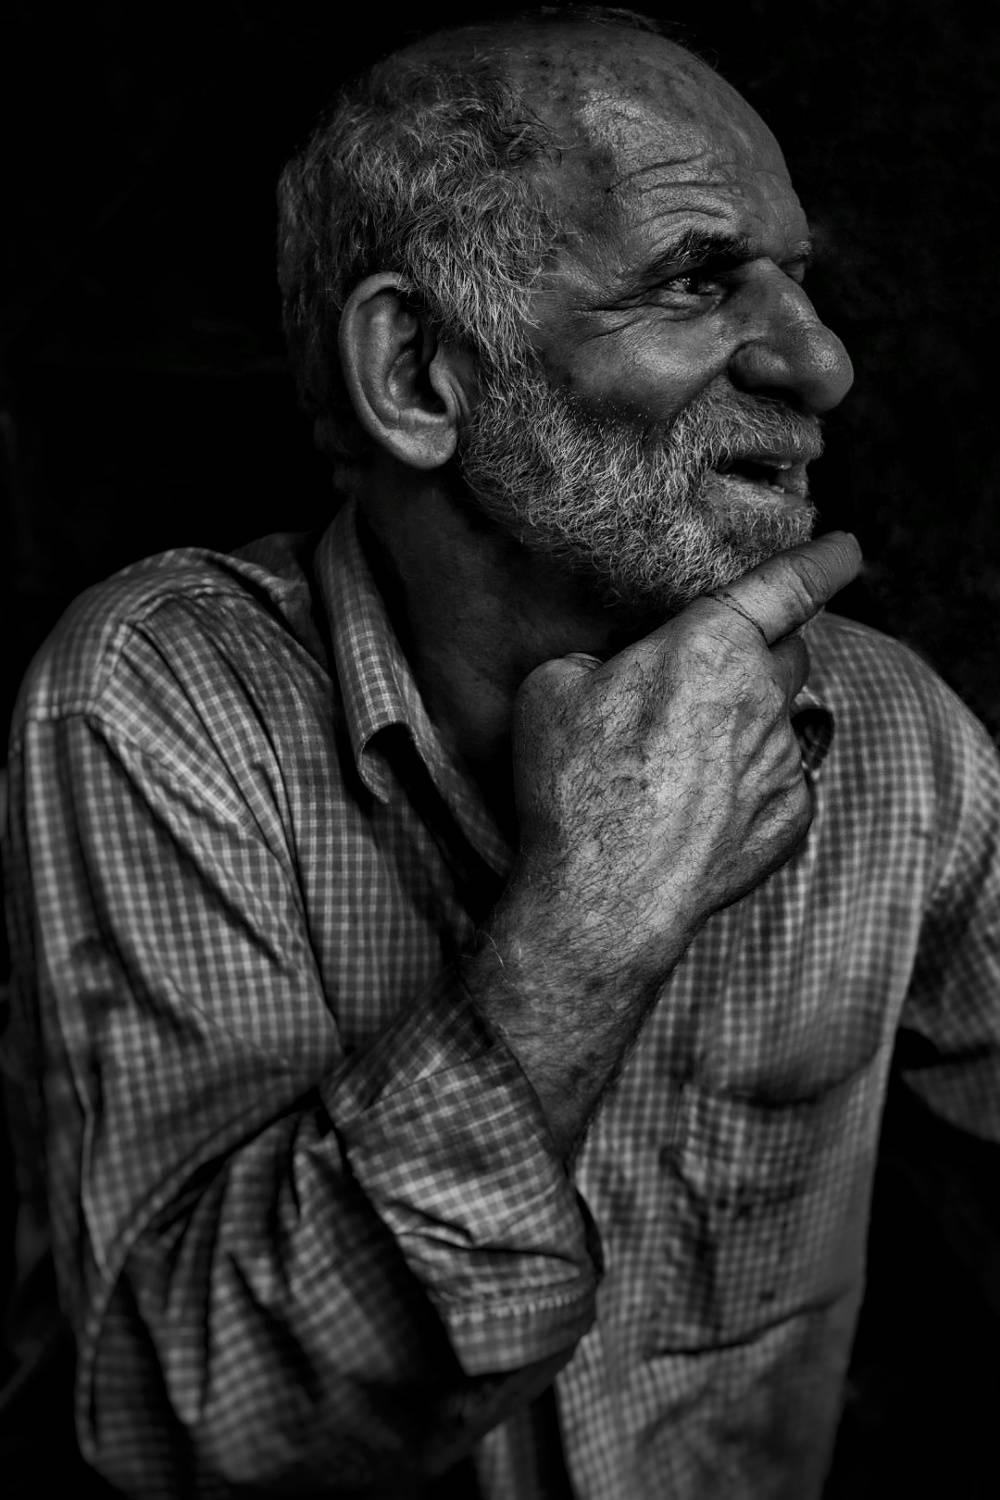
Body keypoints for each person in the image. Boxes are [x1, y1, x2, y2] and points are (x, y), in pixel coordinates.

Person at [2, 7, 999, 1497]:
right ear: (417, 373)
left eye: (802, 283)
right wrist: (594, 927)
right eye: (698, 277)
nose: (823, 362)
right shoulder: (159, 699)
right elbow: (190, 1432)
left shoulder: (889, 731)